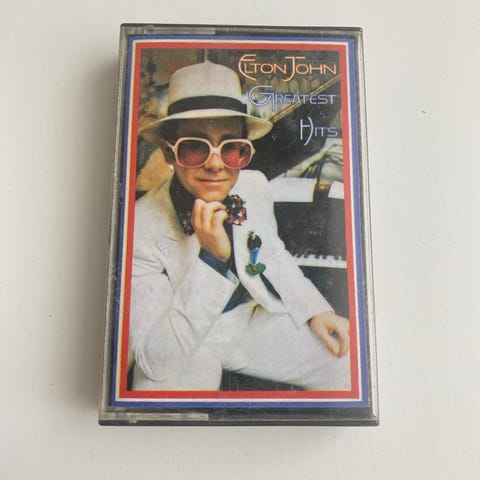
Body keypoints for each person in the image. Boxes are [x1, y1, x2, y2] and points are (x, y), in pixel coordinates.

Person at [130, 61, 350, 391]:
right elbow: (155, 360)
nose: (215, 164)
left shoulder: (253, 185)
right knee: (169, 405)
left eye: (231, 147)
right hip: (188, 342)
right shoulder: (140, 227)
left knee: (346, 360)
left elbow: (271, 253)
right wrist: (213, 259)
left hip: (248, 324)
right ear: (168, 152)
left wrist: (315, 310)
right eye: (194, 146)